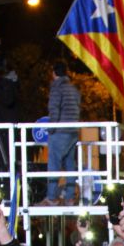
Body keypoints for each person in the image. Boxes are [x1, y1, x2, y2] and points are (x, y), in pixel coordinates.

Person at [44, 64, 82, 206]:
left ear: (54, 73)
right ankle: (70, 197)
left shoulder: (56, 88)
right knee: (70, 164)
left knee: (53, 163)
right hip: (73, 131)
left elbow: (54, 110)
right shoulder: (73, 89)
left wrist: (51, 129)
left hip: (60, 131)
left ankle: (52, 197)